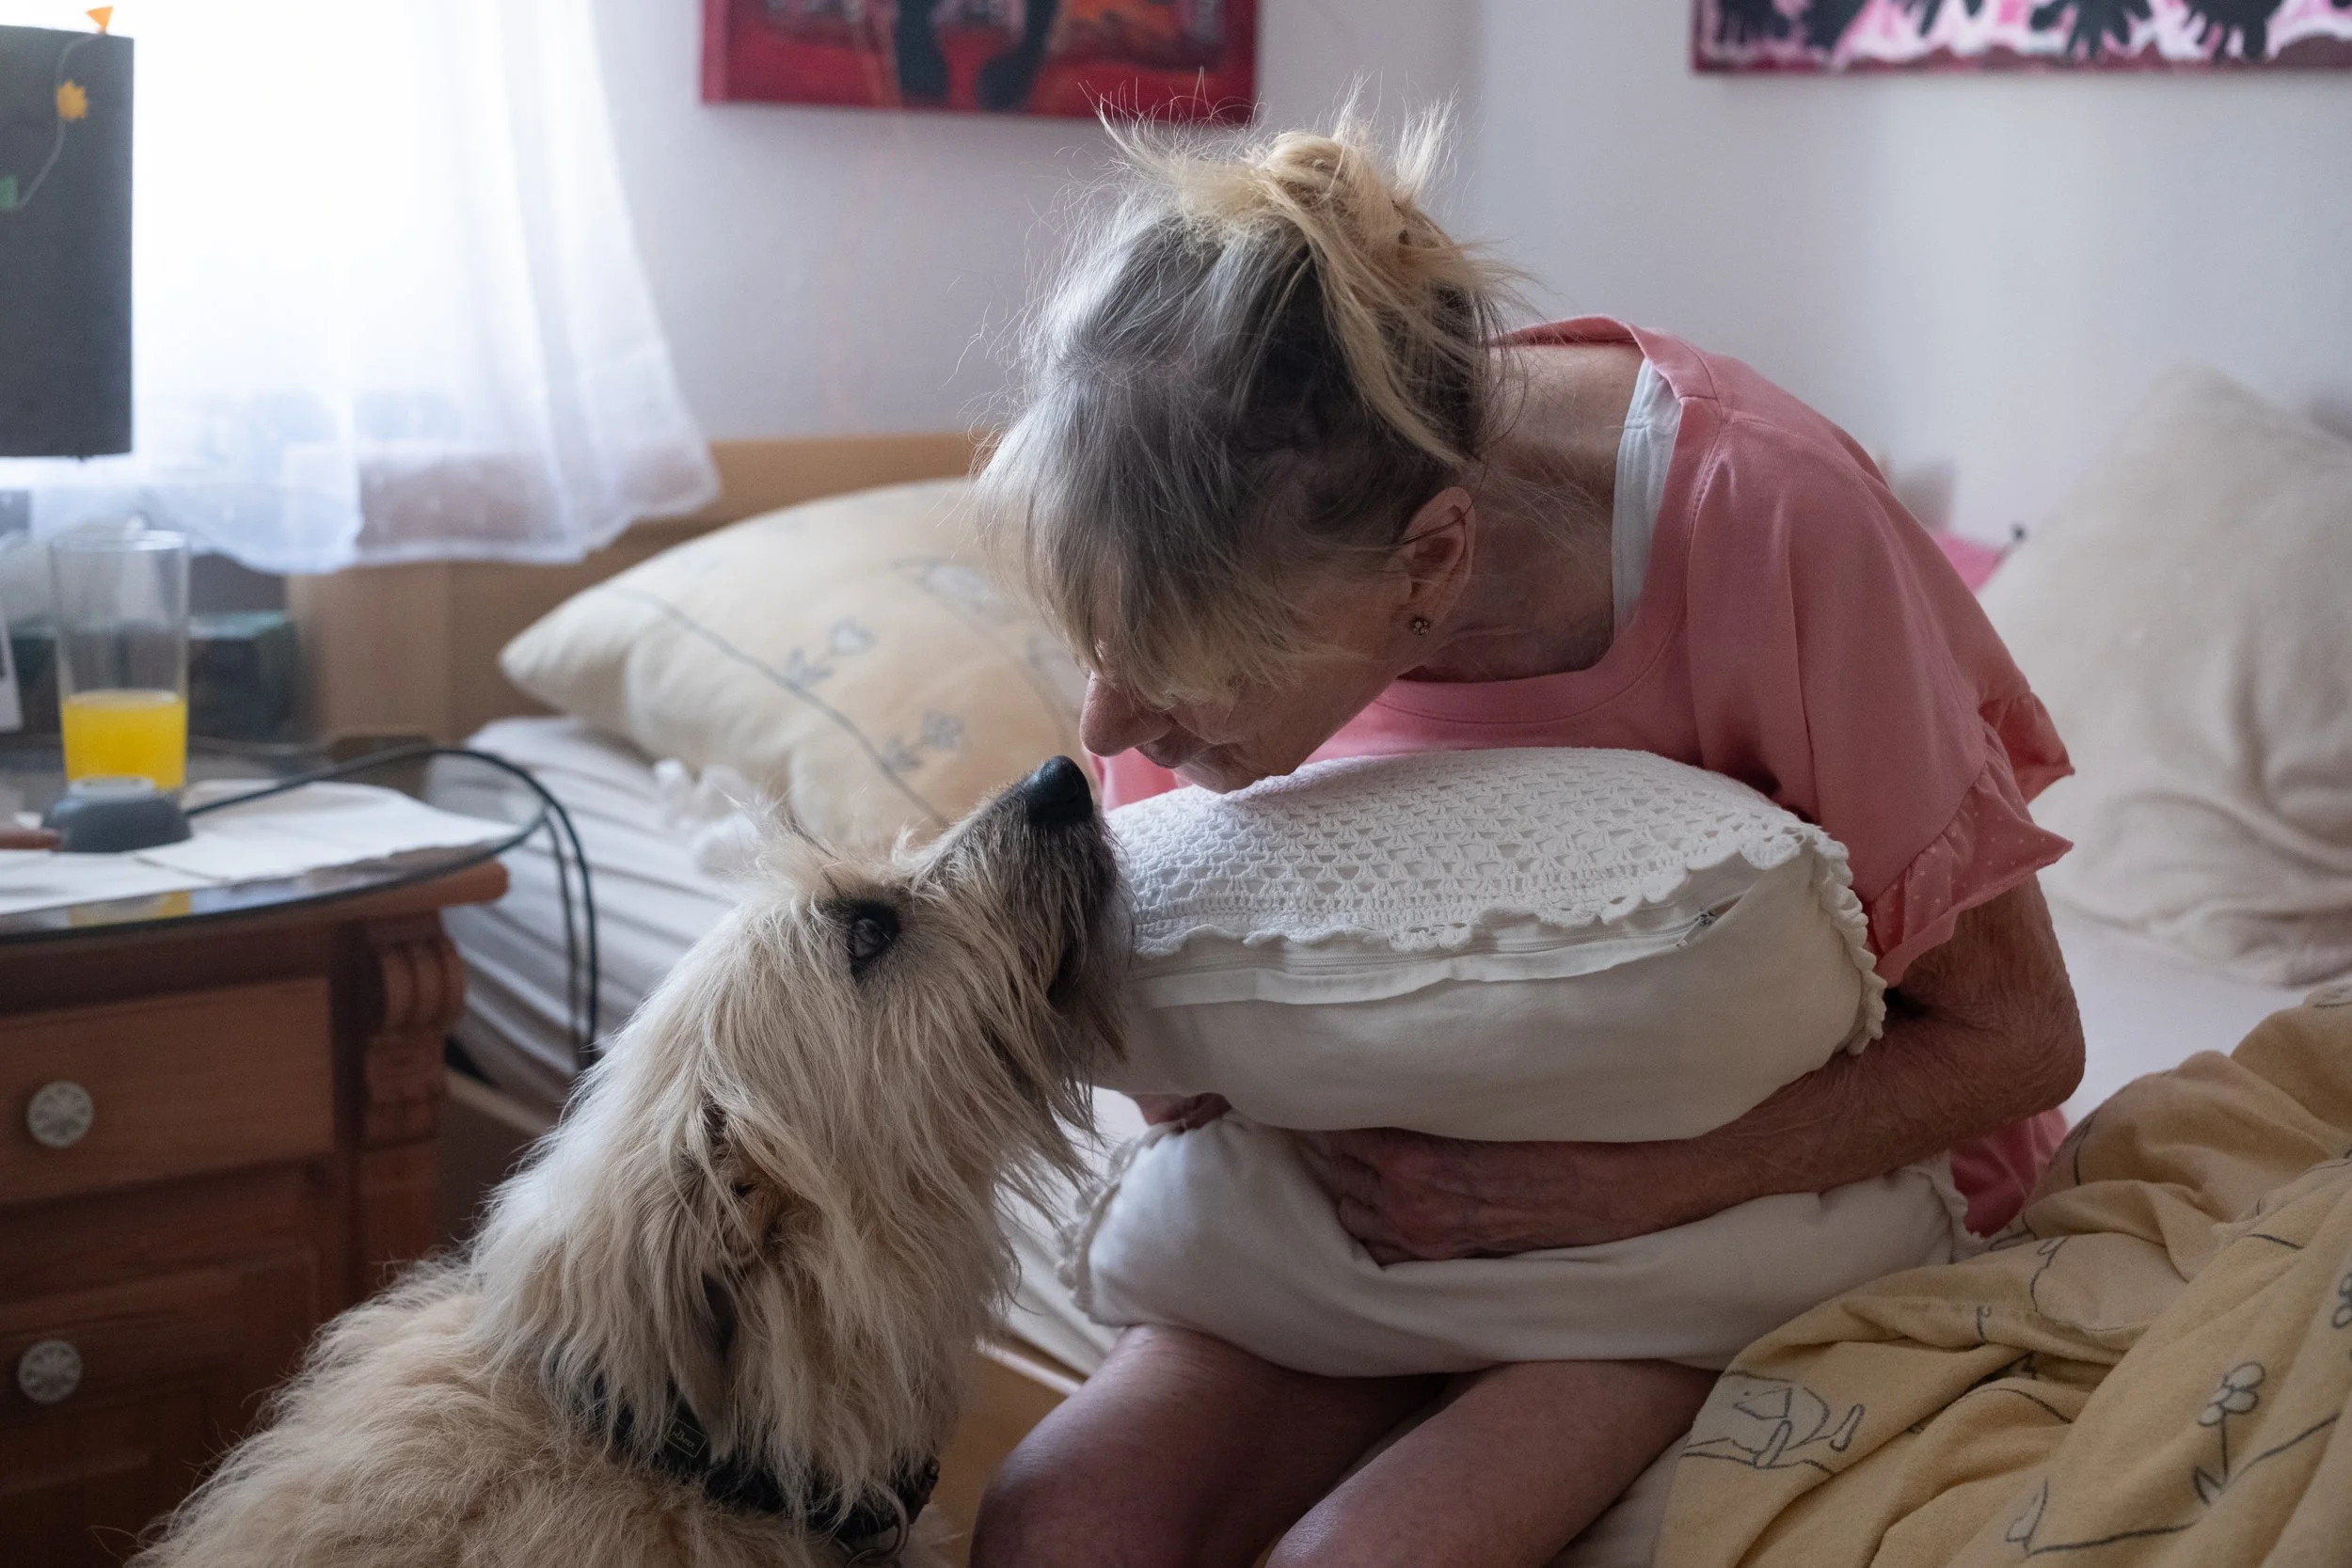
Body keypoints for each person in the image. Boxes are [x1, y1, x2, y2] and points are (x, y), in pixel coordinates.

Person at [969, 115, 2085, 1568]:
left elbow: (2021, 1037)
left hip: (1712, 1215)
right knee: (1058, 1523)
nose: (1110, 720)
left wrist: (1612, 1191)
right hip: (1372, 1222)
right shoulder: (1213, 562)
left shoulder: (1768, 521)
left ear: (1432, 560)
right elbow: (1188, 1056)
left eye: (1188, 669)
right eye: (1097, 640)